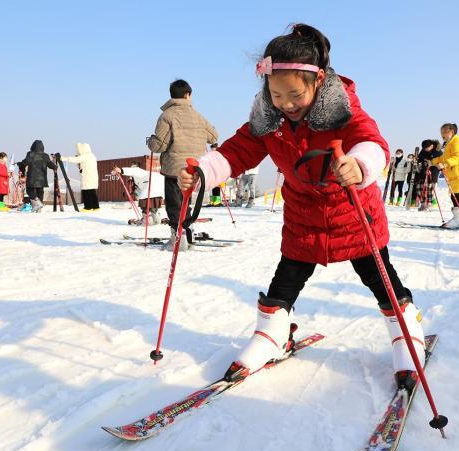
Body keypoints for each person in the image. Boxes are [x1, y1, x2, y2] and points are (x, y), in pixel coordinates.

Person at [178, 24, 426, 388]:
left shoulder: (344, 110)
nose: (286, 104)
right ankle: (273, 333)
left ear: (318, 81)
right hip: (303, 215)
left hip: (352, 211)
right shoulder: (269, 119)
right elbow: (236, 151)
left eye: (294, 95)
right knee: (287, 278)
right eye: (276, 95)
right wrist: (202, 174)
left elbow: (373, 142)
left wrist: (359, 165)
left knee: (379, 277)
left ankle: (405, 331)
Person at [147, 80, 219, 251]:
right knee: (186, 202)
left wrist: (150, 141)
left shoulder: (167, 116)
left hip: (174, 169)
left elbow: (159, 146)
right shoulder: (198, 116)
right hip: (194, 168)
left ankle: (177, 239)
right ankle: (188, 233)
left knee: (174, 205)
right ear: (188, 95)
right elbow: (214, 136)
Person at [431, 123, 459, 228]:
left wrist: (445, 164)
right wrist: (432, 162)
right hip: (456, 175)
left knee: (456, 196)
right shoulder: (449, 143)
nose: (443, 135)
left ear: (452, 132)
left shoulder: (456, 142)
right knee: (455, 196)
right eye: (441, 133)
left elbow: (457, 157)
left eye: (445, 132)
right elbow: (443, 158)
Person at [113, 160, 165, 225]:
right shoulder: (143, 176)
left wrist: (120, 170)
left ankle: (148, 221)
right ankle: (157, 221)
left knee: (145, 205)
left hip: (151, 187)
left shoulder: (137, 171)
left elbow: (133, 171)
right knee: (153, 207)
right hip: (158, 189)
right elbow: (139, 188)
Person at [20, 140, 56, 213]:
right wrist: (55, 166)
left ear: (33, 146)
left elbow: (25, 162)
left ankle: (37, 204)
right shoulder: (45, 155)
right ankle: (39, 209)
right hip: (42, 178)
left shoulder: (30, 154)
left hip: (32, 177)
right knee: (40, 192)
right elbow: (51, 165)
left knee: (29, 190)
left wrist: (20, 164)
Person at [62, 143, 100, 211]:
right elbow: (80, 166)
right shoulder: (92, 155)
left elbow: (74, 160)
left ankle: (88, 207)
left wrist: (62, 158)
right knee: (92, 192)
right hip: (92, 177)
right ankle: (95, 207)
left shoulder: (85, 156)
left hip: (87, 177)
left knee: (86, 192)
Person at [415, 140, 442, 211]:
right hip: (424, 170)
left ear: (431, 146)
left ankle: (429, 203)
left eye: (427, 148)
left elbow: (441, 161)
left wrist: (432, 163)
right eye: (424, 149)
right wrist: (417, 161)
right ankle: (423, 203)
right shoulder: (423, 150)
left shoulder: (437, 151)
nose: (425, 150)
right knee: (419, 187)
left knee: (429, 188)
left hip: (433, 171)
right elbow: (419, 159)